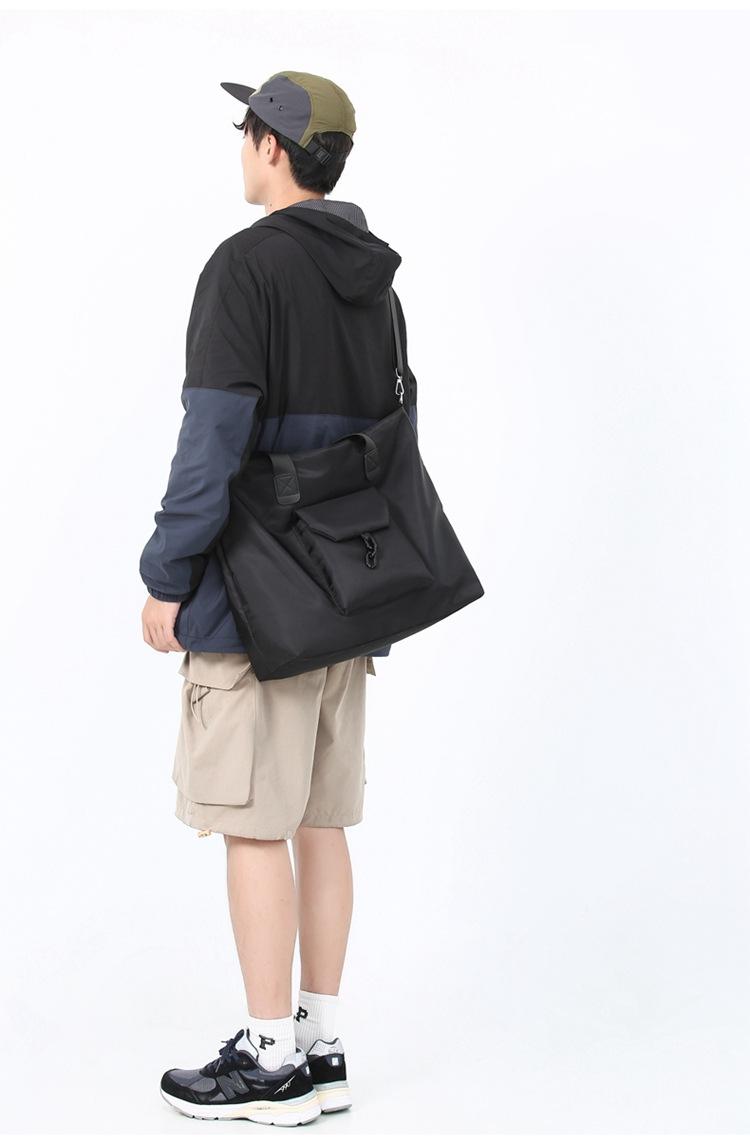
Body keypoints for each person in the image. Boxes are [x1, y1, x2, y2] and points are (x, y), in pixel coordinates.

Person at [139, 70, 417, 1127]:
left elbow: (211, 439)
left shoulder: (245, 267)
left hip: (256, 601)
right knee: (318, 819)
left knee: (255, 825)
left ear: (271, 145)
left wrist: (168, 574)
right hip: (349, 591)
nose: (242, 144)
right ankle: (321, 1044)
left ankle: (267, 1065)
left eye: (246, 128)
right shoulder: (375, 280)